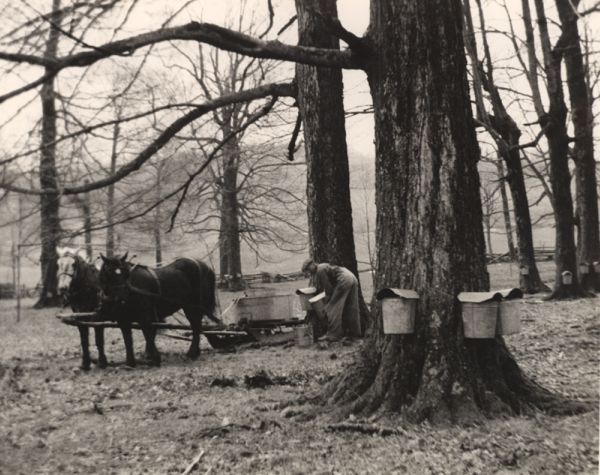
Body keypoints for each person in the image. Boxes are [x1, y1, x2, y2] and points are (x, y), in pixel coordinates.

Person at [301, 258, 362, 341]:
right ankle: (354, 333)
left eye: (308, 269)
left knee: (333, 308)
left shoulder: (320, 270)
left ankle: (334, 334)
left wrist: (328, 302)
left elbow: (328, 289)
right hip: (351, 276)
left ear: (312, 264)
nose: (308, 272)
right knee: (352, 306)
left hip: (343, 279)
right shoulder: (322, 267)